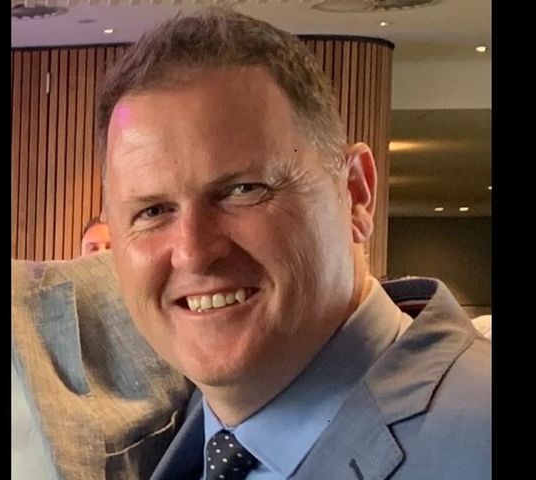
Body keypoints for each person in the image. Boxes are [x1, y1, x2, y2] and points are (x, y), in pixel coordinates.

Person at [97, 8, 490, 480]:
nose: (194, 251)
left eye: (243, 190)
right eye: (153, 211)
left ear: (356, 195)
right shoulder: (163, 439)